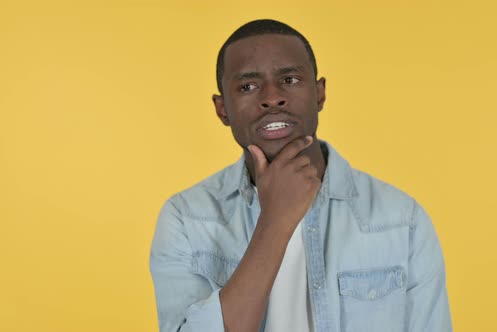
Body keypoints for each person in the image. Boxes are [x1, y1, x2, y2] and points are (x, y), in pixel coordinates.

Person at [150, 19, 452, 332]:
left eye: (290, 79)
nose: (272, 97)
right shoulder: (185, 218)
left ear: (320, 94)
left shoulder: (402, 219)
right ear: (222, 109)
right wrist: (275, 221)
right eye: (248, 87)